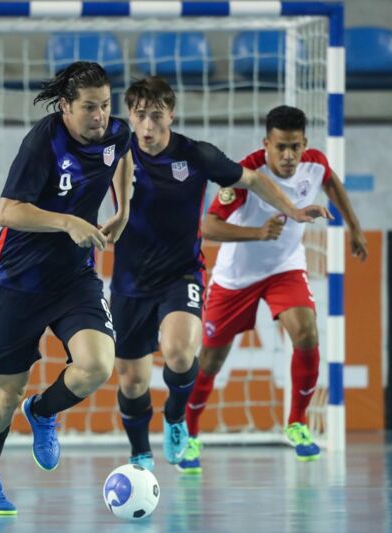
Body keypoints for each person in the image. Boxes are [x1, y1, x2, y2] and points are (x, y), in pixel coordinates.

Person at [111, 78, 332, 472]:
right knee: (131, 382)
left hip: (181, 275)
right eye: (140, 116)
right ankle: (140, 453)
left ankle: (177, 418)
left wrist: (294, 210)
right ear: (129, 115)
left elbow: (252, 180)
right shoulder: (112, 154)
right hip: (129, 283)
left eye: (156, 116)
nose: (147, 126)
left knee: (180, 354)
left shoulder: (197, 155)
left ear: (171, 115)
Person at [0, 61, 133, 516]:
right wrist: (66, 222)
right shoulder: (44, 141)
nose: (99, 116)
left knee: (97, 365)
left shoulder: (114, 132)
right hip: (19, 280)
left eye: (104, 105)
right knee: (6, 393)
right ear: (65, 106)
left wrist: (123, 207)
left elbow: (124, 152)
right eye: (88, 108)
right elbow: (6, 211)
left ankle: (44, 412)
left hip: (75, 278)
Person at [181, 105, 367, 472]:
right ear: (266, 143)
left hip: (285, 267)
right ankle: (189, 434)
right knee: (210, 360)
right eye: (280, 146)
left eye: (294, 147)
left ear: (304, 144)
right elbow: (210, 227)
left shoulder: (314, 163)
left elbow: (332, 183)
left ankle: (297, 423)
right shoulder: (246, 175)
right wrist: (257, 234)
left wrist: (354, 228)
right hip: (237, 277)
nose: (288, 155)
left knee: (306, 332)